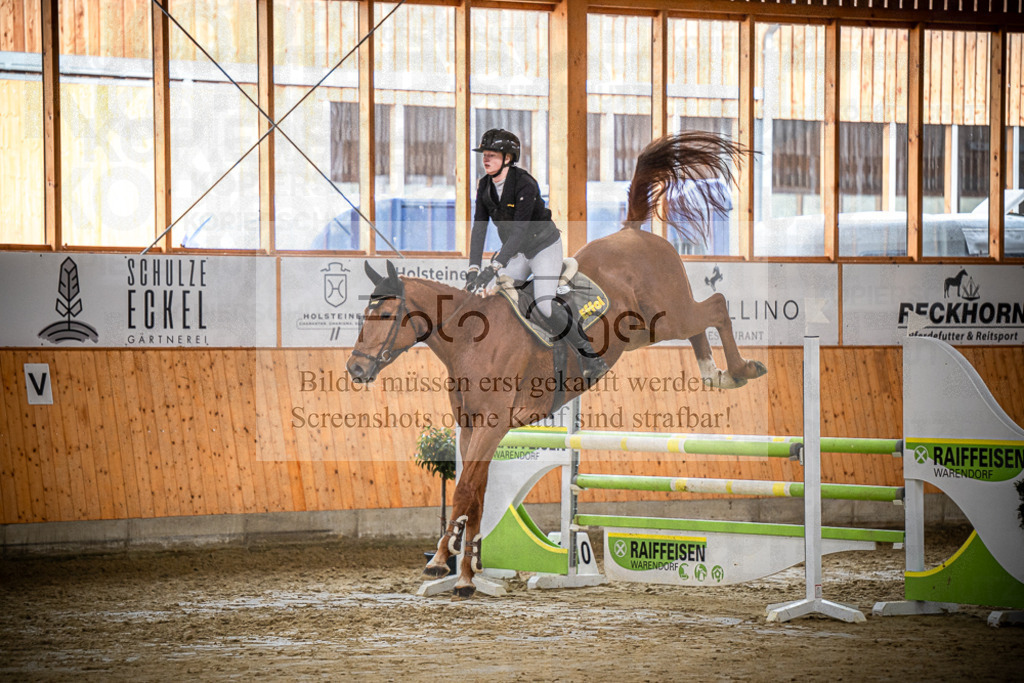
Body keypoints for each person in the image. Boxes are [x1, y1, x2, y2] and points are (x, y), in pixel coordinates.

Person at [464, 128, 608, 381]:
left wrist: (495, 265)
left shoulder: (525, 184)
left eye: (492, 155)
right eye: (484, 155)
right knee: (497, 298)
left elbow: (520, 230)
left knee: (544, 303)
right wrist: (474, 268)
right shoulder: (484, 186)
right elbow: (479, 228)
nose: (486, 159)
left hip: (543, 247)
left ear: (508, 158)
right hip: (517, 251)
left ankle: (591, 357)